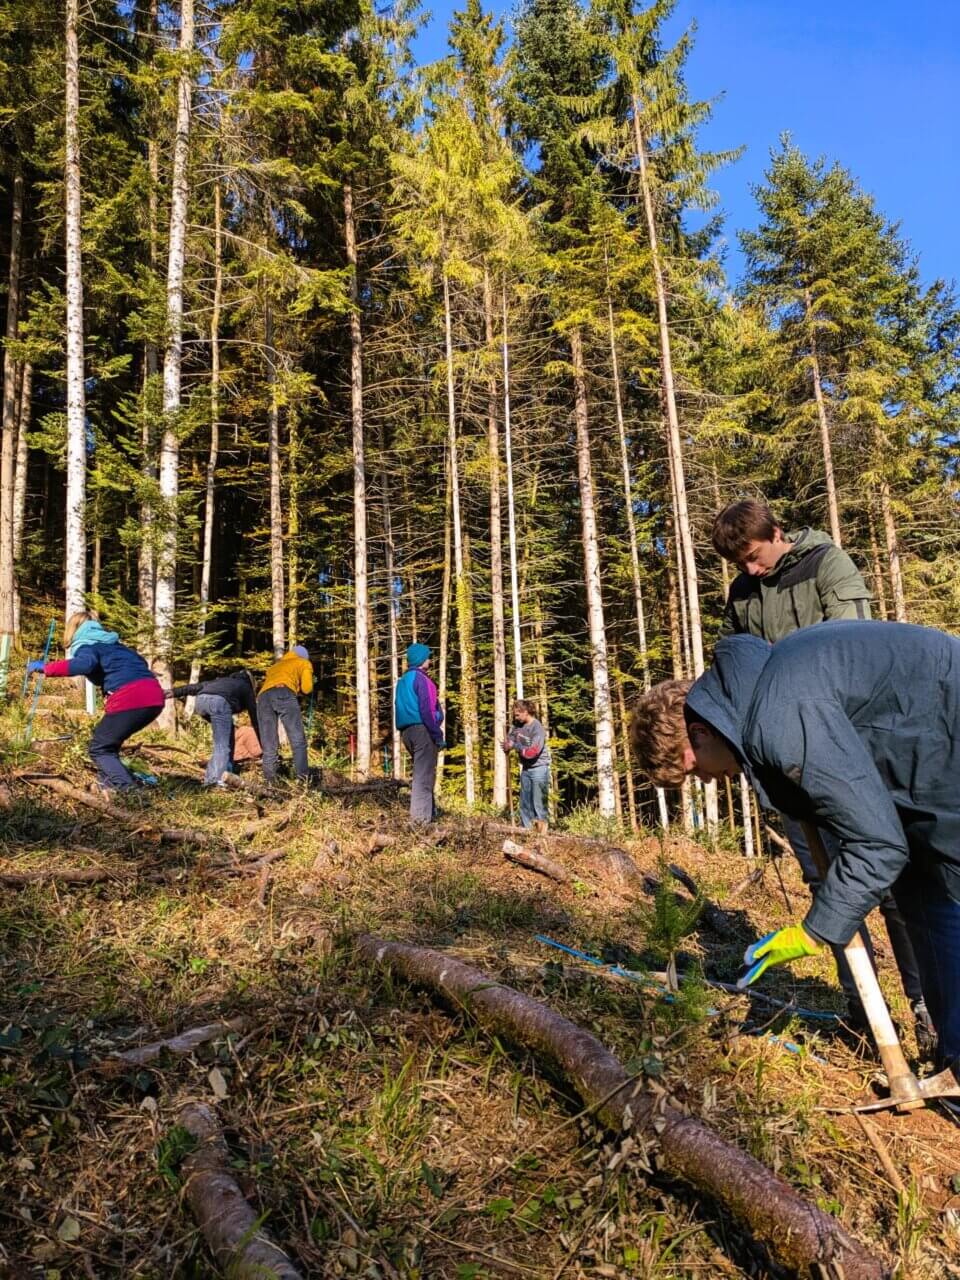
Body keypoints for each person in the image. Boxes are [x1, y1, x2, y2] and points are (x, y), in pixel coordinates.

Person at [628, 622, 960, 1068]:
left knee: (944, 897)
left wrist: (813, 931)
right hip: (922, 748)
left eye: (692, 770)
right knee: (921, 893)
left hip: (944, 733)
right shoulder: (759, 691)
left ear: (700, 732)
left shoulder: (778, 719)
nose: (706, 781)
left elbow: (879, 844)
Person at [712, 500, 931, 1052]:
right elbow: (735, 663)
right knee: (825, 884)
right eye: (739, 564)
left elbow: (857, 644)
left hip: (853, 750)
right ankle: (862, 1005)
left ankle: (925, 1005)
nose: (750, 572)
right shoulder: (742, 594)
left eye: (755, 558)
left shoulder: (826, 563)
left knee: (893, 885)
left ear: (777, 534)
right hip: (788, 758)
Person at [31, 611, 164, 795]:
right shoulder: (117, 645)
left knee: (99, 748)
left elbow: (84, 665)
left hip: (131, 697)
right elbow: (139, 661)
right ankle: (108, 787)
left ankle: (132, 794)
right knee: (107, 743)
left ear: (74, 630)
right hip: (155, 696)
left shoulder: (88, 645)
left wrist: (47, 668)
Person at [171, 671, 260, 788]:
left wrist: (172, 692)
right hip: (218, 704)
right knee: (222, 745)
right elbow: (255, 717)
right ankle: (214, 781)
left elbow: (194, 687)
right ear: (251, 682)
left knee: (228, 735)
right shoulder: (245, 686)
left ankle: (227, 771)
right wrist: (264, 743)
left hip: (201, 703)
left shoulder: (221, 681)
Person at [394, 642, 444, 826]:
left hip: (406, 732)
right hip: (423, 731)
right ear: (422, 660)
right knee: (424, 776)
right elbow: (427, 710)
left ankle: (428, 814)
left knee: (422, 773)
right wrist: (437, 734)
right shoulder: (423, 680)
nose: (430, 660)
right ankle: (420, 822)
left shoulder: (402, 681)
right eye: (428, 657)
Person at [257, 646, 313, 782]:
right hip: (284, 692)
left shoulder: (276, 666)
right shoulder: (303, 662)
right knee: (298, 740)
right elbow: (307, 688)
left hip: (262, 698)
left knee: (269, 743)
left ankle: (270, 784)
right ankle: (303, 781)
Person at [503, 700, 551, 829]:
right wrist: (507, 744)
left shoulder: (537, 728)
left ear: (526, 712)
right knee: (525, 803)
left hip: (539, 769)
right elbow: (511, 738)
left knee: (539, 803)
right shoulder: (517, 725)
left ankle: (541, 836)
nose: (516, 717)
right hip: (526, 769)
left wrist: (515, 746)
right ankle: (526, 832)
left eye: (518, 715)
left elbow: (531, 753)